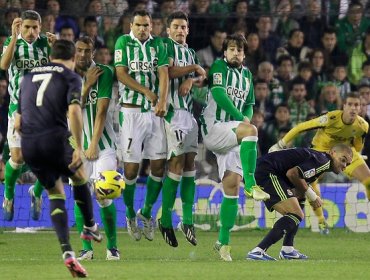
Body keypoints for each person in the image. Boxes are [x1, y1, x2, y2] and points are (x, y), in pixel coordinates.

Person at [15, 39, 102, 278]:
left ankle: (67, 251)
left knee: (55, 192)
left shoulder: (27, 76)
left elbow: (18, 119)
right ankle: (90, 226)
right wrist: (79, 145)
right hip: (56, 138)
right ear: (73, 58)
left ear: (51, 56)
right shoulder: (71, 76)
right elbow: (74, 111)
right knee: (80, 173)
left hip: (29, 144)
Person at [200, 33, 270, 262]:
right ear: (225, 52)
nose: (236, 53)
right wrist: (243, 120)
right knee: (251, 132)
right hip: (214, 128)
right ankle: (252, 184)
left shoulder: (248, 75)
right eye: (232, 49)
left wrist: (245, 119)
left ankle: (223, 243)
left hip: (233, 132)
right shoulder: (219, 67)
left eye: (239, 50)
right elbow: (219, 95)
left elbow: (250, 104)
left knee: (231, 186)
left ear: (244, 54)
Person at [270, 92, 369, 234]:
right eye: (350, 104)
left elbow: (358, 146)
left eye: (357, 105)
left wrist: (355, 155)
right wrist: (281, 144)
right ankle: (322, 222)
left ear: (360, 108)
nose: (353, 108)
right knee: (310, 189)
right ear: (344, 106)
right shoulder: (330, 118)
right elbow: (301, 127)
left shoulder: (363, 126)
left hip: (344, 155)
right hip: (320, 154)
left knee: (369, 180)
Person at [114, 10, 169, 242]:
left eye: (146, 25)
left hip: (155, 114)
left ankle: (145, 212)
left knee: (158, 167)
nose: (143, 29)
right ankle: (128, 213)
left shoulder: (159, 44)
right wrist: (146, 91)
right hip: (131, 112)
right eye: (139, 25)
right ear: (131, 25)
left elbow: (164, 74)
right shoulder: (123, 42)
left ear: (152, 25)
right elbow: (121, 74)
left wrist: (163, 100)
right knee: (130, 170)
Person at [247, 144, 353, 261]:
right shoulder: (323, 161)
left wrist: (308, 193)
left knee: (299, 199)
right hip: (267, 171)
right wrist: (312, 196)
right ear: (332, 152)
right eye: (342, 160)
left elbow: (299, 183)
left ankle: (288, 249)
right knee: (296, 214)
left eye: (347, 164)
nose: (344, 166)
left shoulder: (320, 159)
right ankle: (258, 251)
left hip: (269, 170)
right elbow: (292, 174)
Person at [1, 10, 56, 221]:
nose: (31, 31)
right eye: (27, 27)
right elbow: (3, 65)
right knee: (17, 158)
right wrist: (14, 37)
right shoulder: (12, 42)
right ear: (20, 26)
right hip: (17, 106)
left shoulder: (46, 43)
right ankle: (8, 195)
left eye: (34, 27)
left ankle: (36, 192)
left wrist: (56, 49)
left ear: (40, 27)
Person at [159, 11, 206, 247]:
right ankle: (165, 219)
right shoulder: (165, 46)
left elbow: (201, 75)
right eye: (175, 26)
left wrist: (192, 79)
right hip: (172, 113)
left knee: (190, 165)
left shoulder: (190, 52)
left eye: (183, 27)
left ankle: (186, 221)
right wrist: (193, 70)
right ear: (168, 30)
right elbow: (167, 72)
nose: (179, 30)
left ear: (188, 30)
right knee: (176, 163)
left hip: (188, 115)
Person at [73, 37, 119, 261]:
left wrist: (93, 146)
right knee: (80, 198)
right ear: (74, 51)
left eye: (87, 51)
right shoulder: (66, 75)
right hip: (77, 149)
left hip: (104, 146)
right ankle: (86, 249)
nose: (83, 55)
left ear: (93, 53)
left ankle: (112, 247)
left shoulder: (105, 72)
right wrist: (85, 86)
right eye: (79, 50)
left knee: (103, 192)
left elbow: (101, 112)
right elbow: (68, 112)